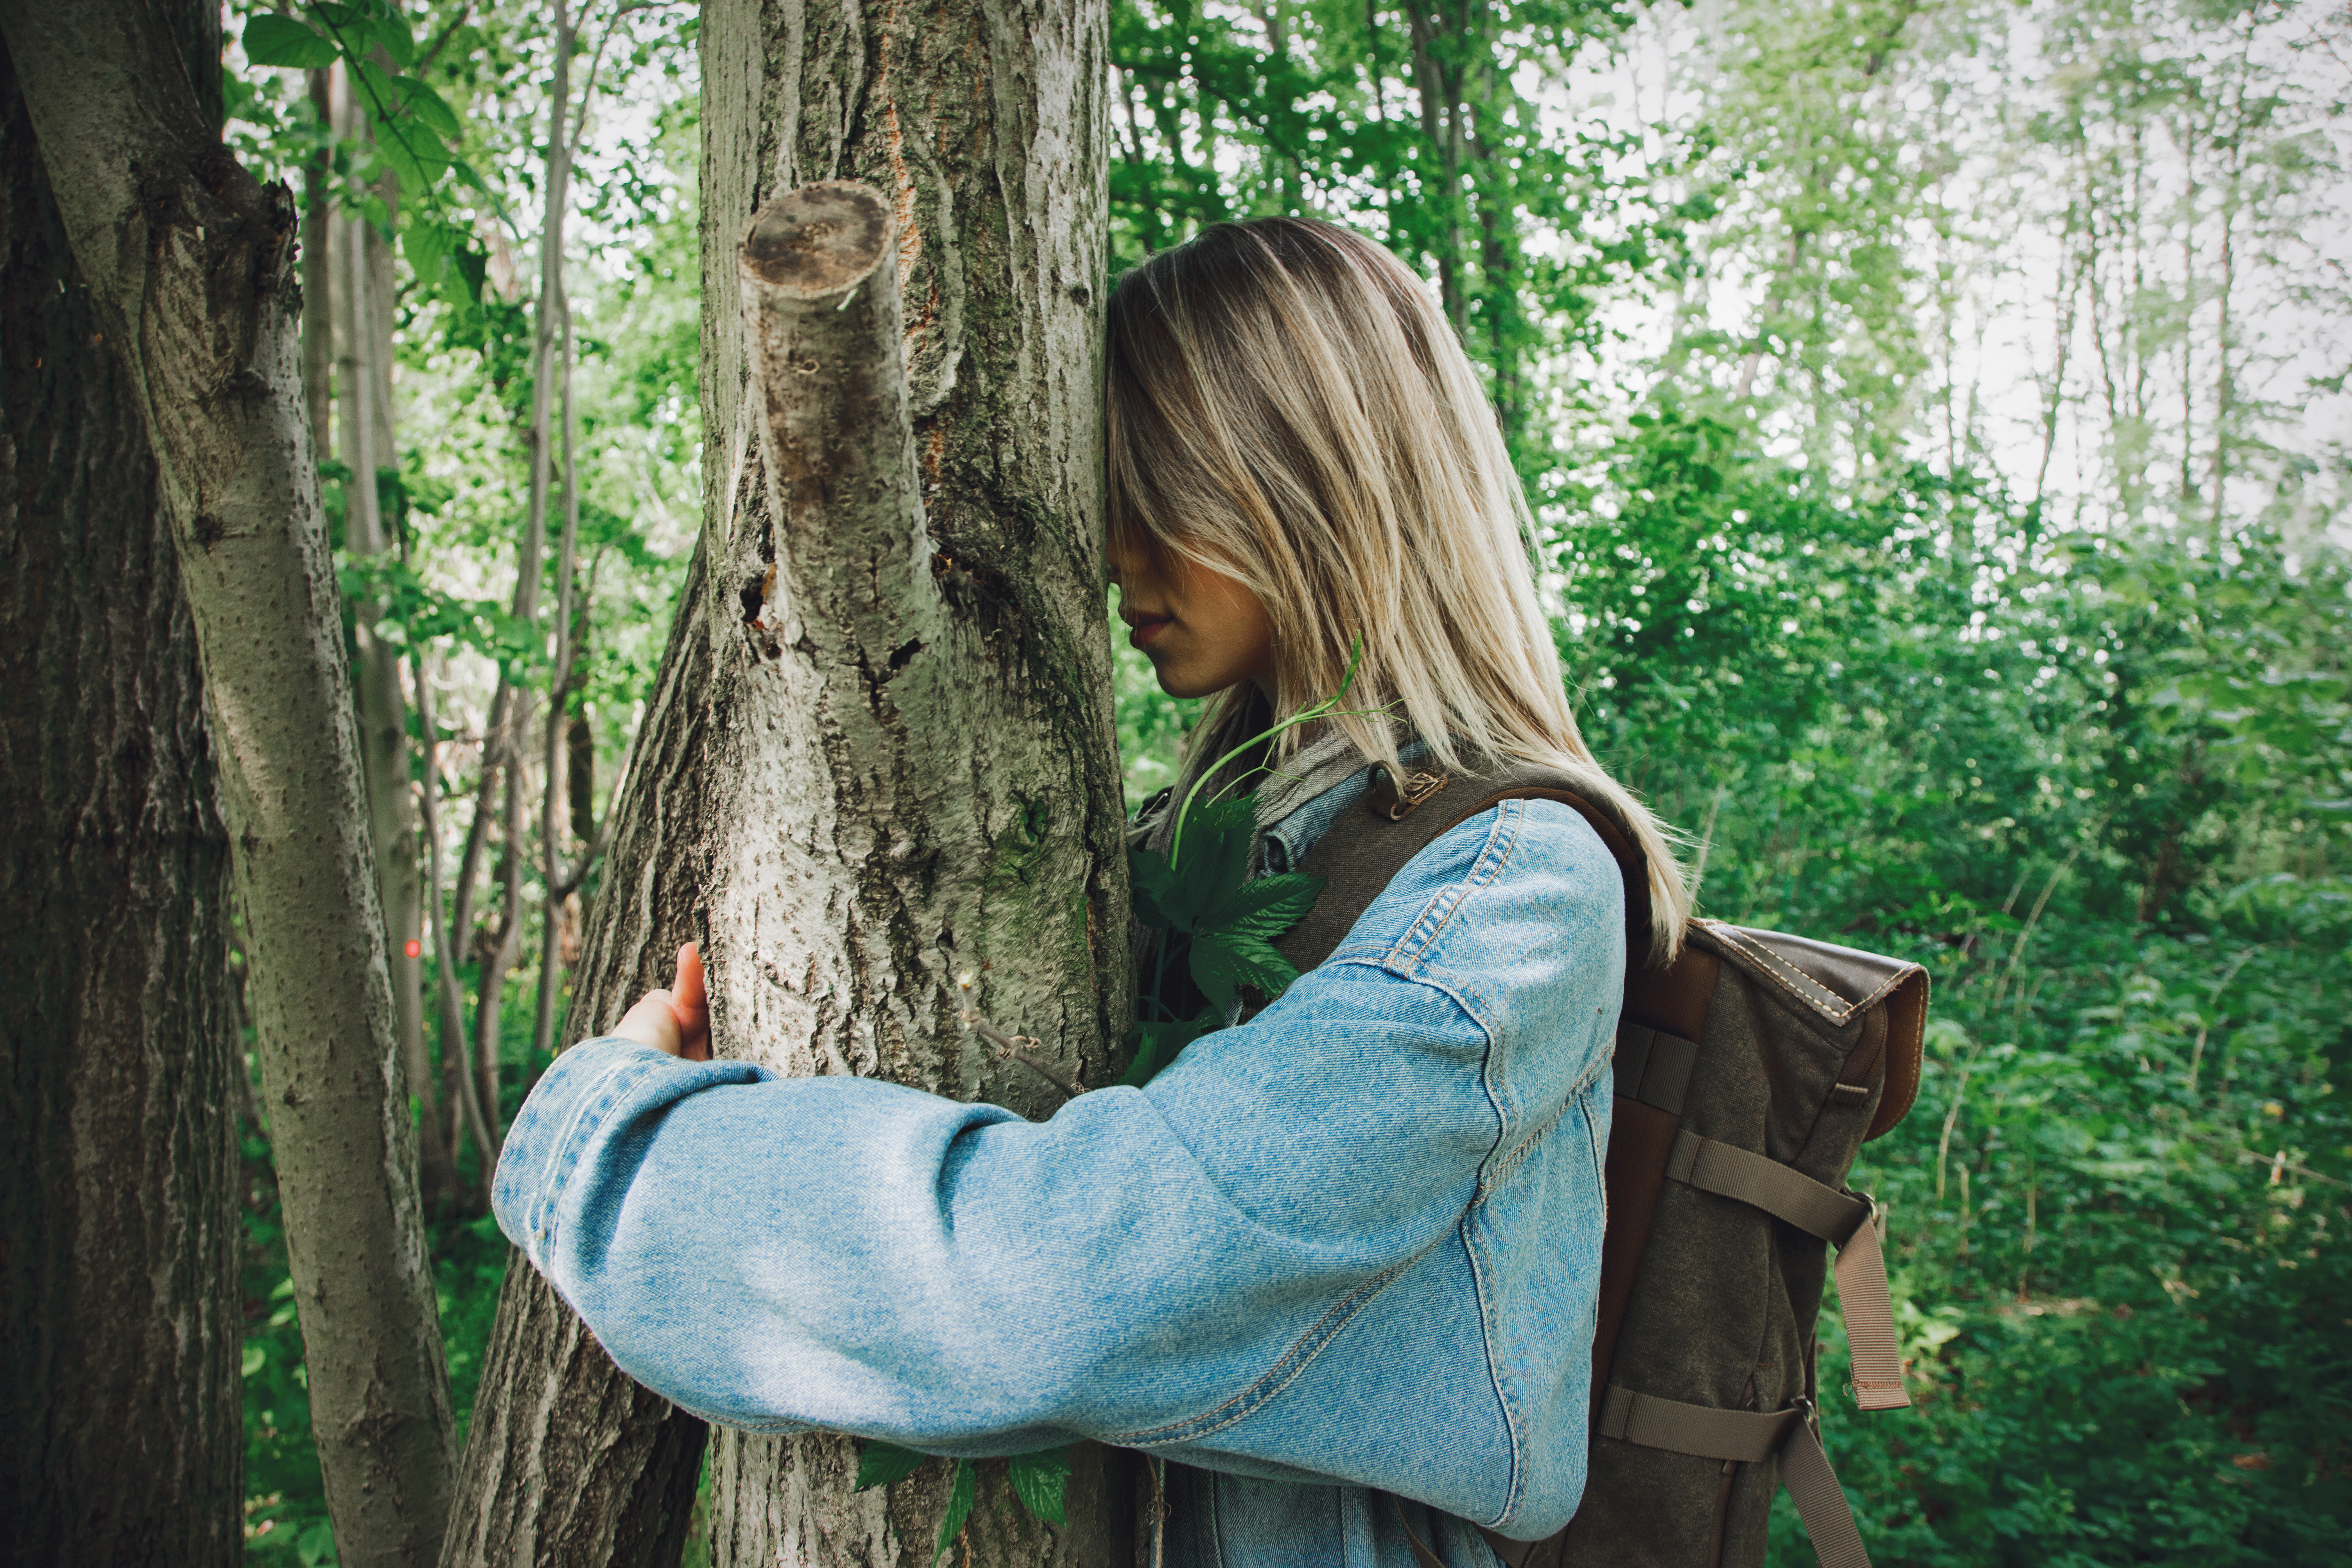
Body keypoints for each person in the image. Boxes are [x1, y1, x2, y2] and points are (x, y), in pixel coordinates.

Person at [493, 216, 1689, 1566]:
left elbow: (1074, 1287)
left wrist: (609, 1153)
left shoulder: (1511, 892)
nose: (1114, 547)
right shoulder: (1212, 834)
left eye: (1155, 486)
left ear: (1306, 476)